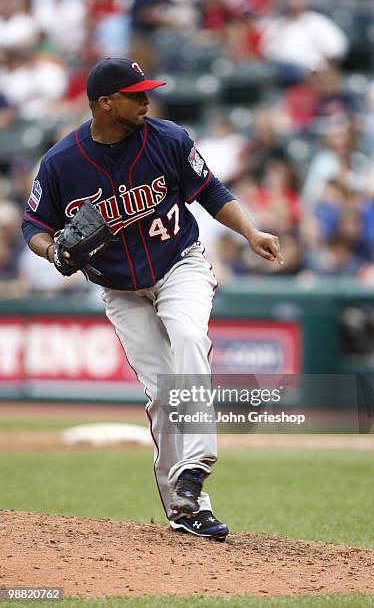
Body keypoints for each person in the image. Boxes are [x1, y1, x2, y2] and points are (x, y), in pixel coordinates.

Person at [21, 57, 283, 541]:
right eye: (135, 94)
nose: (146, 100)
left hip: (180, 265)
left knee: (187, 335)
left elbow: (212, 191)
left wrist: (250, 230)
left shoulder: (168, 139)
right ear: (105, 103)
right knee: (162, 392)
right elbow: (34, 226)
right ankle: (186, 509)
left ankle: (196, 464)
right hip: (120, 288)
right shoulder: (62, 162)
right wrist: (53, 249)